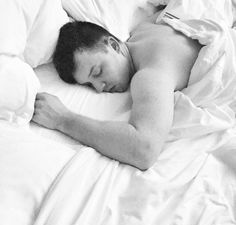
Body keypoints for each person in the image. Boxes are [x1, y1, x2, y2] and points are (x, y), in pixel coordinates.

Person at [32, 13, 202, 170]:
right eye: (90, 85)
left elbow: (144, 150)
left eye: (98, 72)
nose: (99, 88)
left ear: (113, 44)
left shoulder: (149, 76)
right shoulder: (147, 25)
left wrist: (63, 119)